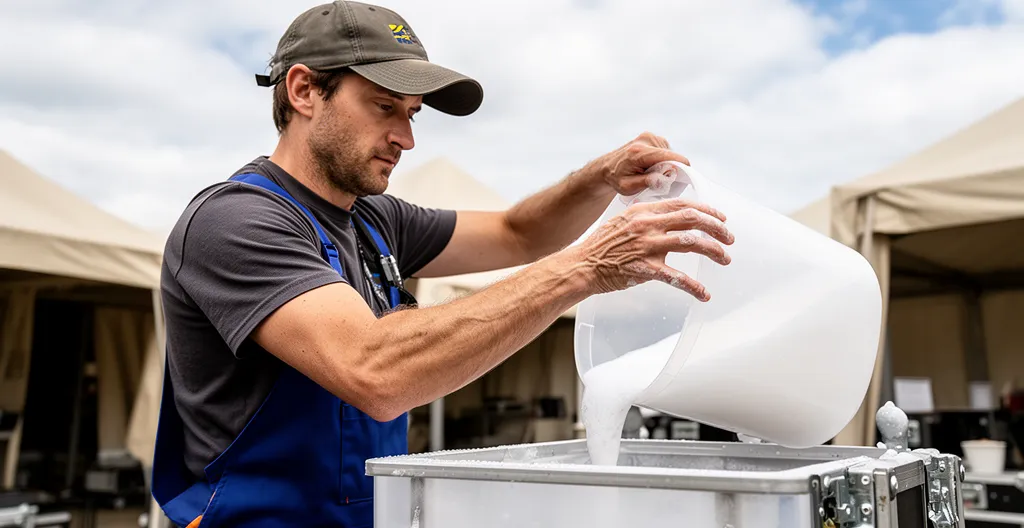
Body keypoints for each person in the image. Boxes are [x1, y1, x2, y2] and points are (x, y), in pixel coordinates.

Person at [151, 1, 735, 526]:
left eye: (412, 113)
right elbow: (374, 372)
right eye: (385, 107)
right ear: (304, 91)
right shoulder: (236, 222)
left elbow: (517, 233)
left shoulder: (375, 219)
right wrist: (587, 267)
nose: (406, 137)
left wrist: (601, 178)